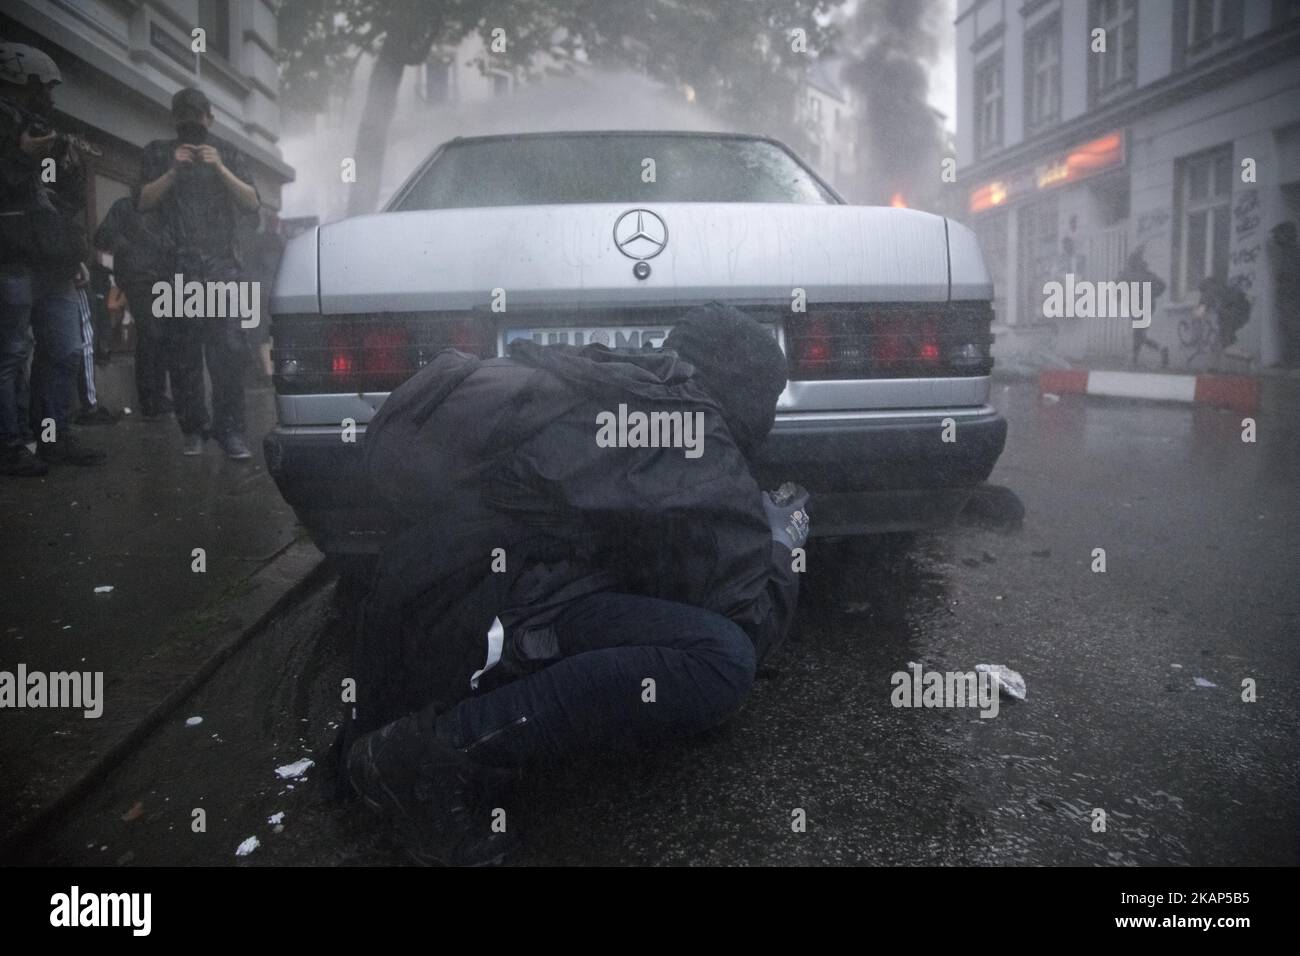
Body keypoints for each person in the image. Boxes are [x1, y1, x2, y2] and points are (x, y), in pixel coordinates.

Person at [344, 303, 808, 865]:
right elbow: (747, 622)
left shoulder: (608, 385)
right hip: (476, 615)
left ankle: (444, 726)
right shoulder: (694, 439)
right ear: (749, 391)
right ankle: (423, 758)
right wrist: (784, 545)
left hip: (434, 593)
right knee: (720, 662)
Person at [136, 87, 260, 458]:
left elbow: (252, 201)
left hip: (222, 271)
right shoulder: (159, 153)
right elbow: (142, 202)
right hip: (177, 272)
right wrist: (173, 171)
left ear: (210, 118)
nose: (192, 124)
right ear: (175, 120)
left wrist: (219, 167)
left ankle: (231, 433)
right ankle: (194, 430)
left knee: (228, 357)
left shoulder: (228, 152)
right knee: (184, 358)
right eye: (184, 117)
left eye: (198, 116)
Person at [0, 41, 103, 476]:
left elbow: (60, 199)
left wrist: (65, 161)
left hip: (50, 260)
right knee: (11, 354)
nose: (48, 97)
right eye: (42, 87)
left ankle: (50, 438)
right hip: (13, 258)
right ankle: (12, 446)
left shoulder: (40, 128)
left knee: (63, 350)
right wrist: (21, 154)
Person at [94, 195, 172, 419]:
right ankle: (150, 397)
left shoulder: (164, 206)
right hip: (139, 278)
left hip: (161, 279)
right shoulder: (126, 206)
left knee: (159, 335)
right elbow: (103, 237)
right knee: (151, 333)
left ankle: (155, 394)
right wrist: (129, 249)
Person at [1119, 246, 1168, 368]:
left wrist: (1122, 297)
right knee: (1139, 333)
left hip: (1136, 305)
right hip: (1148, 305)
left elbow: (1116, 286)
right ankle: (1135, 359)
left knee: (1139, 334)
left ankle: (1160, 348)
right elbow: (1162, 285)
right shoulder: (1147, 273)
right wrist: (1153, 295)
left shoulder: (1129, 274)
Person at [1267, 222, 1299, 368]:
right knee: (1287, 327)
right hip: (1289, 297)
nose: (1276, 240)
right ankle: (1289, 360)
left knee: (1290, 327)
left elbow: (1290, 277)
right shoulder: (1289, 253)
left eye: (1279, 236)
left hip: (1291, 297)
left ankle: (1291, 361)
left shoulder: (1292, 254)